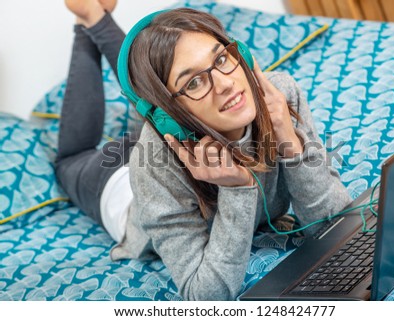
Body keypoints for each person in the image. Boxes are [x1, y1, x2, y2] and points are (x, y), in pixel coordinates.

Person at [56, 0, 352, 300]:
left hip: (192, 127)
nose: (225, 84)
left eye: (222, 59)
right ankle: (87, 24)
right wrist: (239, 189)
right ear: (167, 118)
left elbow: (336, 226)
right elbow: (205, 296)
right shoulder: (154, 166)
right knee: (70, 159)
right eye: (195, 82)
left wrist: (291, 142)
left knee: (155, 71)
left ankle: (96, 19)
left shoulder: (278, 96)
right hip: (118, 180)